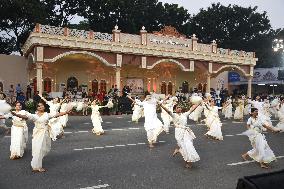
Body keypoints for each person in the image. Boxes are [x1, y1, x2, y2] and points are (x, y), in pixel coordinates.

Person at [11, 101, 70, 172]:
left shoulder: (47, 114)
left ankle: (36, 165)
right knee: (38, 149)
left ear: (44, 107)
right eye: (39, 106)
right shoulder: (34, 115)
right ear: (37, 108)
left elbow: (57, 114)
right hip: (37, 134)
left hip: (45, 133)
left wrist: (66, 112)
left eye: (42, 105)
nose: (41, 107)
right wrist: (17, 115)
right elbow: (25, 117)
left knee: (44, 149)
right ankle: (37, 166)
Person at [160, 102, 200, 168]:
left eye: (180, 107)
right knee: (184, 147)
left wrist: (198, 103)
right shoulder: (173, 115)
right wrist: (161, 105)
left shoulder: (184, 114)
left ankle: (188, 161)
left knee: (189, 146)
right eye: (177, 108)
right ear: (175, 109)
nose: (179, 109)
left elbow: (192, 109)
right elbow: (167, 110)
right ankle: (184, 157)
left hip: (186, 132)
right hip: (178, 132)